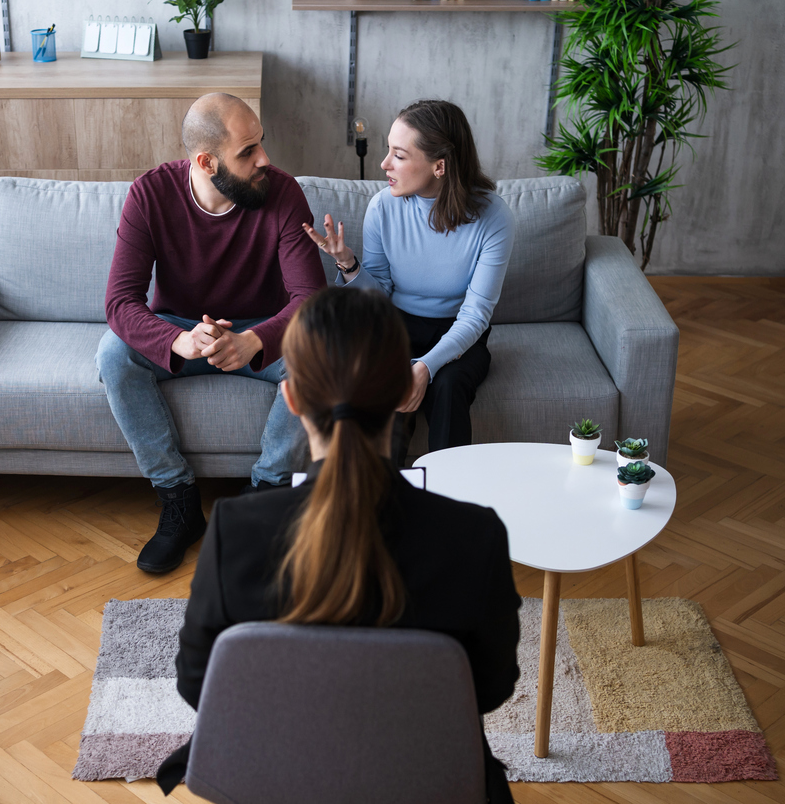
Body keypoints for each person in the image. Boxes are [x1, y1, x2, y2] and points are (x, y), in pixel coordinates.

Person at [159, 287, 522, 802]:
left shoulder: (235, 529)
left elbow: (199, 685)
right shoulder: (474, 536)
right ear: (404, 391)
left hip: (274, 782)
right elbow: (490, 688)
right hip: (423, 782)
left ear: (291, 397)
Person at [97, 93, 327, 574]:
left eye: (261, 143)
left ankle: (263, 497)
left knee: (324, 351)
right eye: (248, 152)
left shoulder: (283, 194)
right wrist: (176, 341)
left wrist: (255, 340)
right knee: (114, 354)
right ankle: (178, 502)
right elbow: (120, 302)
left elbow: (310, 300)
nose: (265, 159)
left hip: (261, 331)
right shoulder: (150, 195)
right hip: (182, 329)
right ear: (206, 161)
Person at [304, 99, 515, 465]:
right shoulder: (382, 208)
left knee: (447, 388)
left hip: (460, 335)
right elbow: (379, 295)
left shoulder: (494, 218)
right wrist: (349, 266)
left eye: (399, 155)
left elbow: (476, 314)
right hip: (394, 329)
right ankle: (381, 502)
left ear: (439, 166)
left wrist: (426, 367)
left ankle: (449, 505)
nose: (384, 164)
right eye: (388, 150)